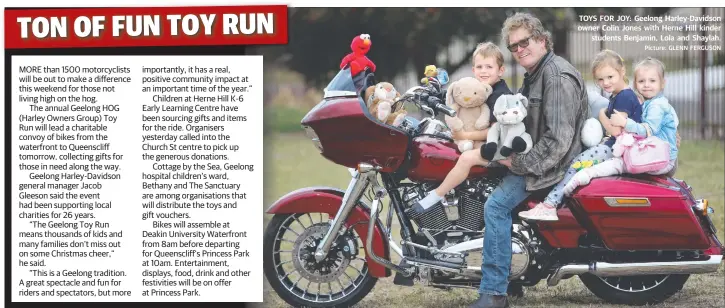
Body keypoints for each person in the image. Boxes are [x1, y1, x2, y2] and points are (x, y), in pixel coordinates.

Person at [468, 13, 589, 308]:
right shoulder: (535, 73)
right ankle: (514, 280)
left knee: (495, 207)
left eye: (525, 42)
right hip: (538, 160)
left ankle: (495, 292)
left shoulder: (556, 76)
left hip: (551, 168)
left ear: (542, 40)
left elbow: (558, 142)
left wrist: (518, 164)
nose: (520, 49)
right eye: (514, 46)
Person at [517, 49, 642, 221]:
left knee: (577, 164)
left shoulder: (624, 97)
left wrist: (602, 116)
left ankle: (550, 204)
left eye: (610, 77)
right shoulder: (618, 95)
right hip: (615, 145)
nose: (605, 82)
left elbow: (616, 131)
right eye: (600, 79)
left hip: (615, 148)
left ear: (622, 72)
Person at [412, 42, 513, 214]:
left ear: (500, 71)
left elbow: (496, 132)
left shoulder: (499, 95)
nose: (484, 71)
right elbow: (461, 95)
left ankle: (436, 195)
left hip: (503, 150)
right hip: (487, 145)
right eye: (479, 67)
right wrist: (436, 94)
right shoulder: (478, 89)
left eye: (489, 67)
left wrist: (464, 134)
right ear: (473, 70)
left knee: (466, 158)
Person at [562, 57, 679, 194]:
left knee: (620, 163)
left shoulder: (657, 105)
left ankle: (587, 175)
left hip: (663, 158)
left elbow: (648, 131)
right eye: (641, 81)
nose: (646, 85)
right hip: (660, 154)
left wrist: (624, 122)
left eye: (652, 81)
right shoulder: (651, 102)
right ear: (635, 83)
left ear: (662, 83)